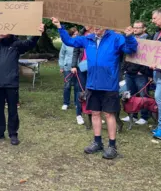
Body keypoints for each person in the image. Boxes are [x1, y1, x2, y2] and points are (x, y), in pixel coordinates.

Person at [52, 17, 136, 159]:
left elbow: (131, 49)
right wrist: (60, 26)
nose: (96, 27)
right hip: (92, 84)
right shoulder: (88, 39)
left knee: (109, 114)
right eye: (94, 25)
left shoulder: (116, 38)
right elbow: (69, 41)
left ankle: (112, 146)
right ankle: (97, 142)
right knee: (95, 113)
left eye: (100, 25)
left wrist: (129, 36)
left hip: (109, 85)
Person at [0, 24, 44, 146]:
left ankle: (13, 134)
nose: (0, 32)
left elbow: (30, 44)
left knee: (12, 110)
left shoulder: (16, 45)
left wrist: (38, 33)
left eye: (4, 30)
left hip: (11, 84)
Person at [121, 20, 151, 125]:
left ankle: (144, 117)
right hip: (129, 71)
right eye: (134, 27)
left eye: (138, 27)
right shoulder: (130, 38)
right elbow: (126, 54)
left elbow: (150, 58)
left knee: (143, 95)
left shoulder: (149, 40)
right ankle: (132, 115)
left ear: (144, 29)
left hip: (141, 74)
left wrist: (143, 71)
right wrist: (125, 68)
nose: (136, 29)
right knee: (131, 94)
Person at [59, 27, 85, 125]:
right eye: (74, 34)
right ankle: (66, 103)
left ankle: (76, 103)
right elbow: (61, 55)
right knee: (67, 85)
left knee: (78, 86)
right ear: (71, 35)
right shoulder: (66, 43)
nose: (76, 36)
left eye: (77, 34)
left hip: (78, 68)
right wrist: (62, 66)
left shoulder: (79, 42)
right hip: (67, 67)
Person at [151, 8, 161, 139]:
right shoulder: (157, 33)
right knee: (160, 100)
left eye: (155, 18)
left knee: (160, 100)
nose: (152, 20)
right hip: (157, 72)